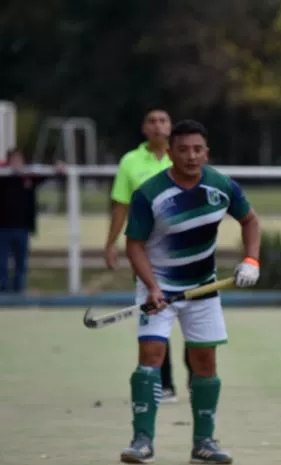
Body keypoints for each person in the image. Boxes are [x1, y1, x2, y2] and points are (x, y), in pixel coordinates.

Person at [120, 120, 261, 465]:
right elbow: (135, 245)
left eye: (198, 149)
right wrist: (152, 287)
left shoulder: (222, 186)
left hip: (203, 289)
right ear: (170, 153)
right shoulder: (149, 193)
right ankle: (142, 441)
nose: (191, 156)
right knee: (150, 358)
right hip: (158, 289)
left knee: (205, 363)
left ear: (206, 152)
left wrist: (251, 259)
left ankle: (204, 442)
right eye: (182, 149)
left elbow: (250, 221)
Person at [107, 108, 189, 403]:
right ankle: (163, 383)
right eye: (151, 121)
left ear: (171, 127)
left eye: (163, 120)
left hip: (186, 252)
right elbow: (120, 205)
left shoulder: (183, 155)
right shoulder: (130, 161)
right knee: (158, 316)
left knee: (192, 318)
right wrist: (110, 243)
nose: (157, 126)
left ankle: (196, 379)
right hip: (147, 252)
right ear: (143, 128)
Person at [0, 149, 62, 292]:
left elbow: (47, 172)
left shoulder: (28, 178)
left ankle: (19, 293)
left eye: (19, 160)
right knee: (1, 265)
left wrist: (56, 166)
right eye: (13, 160)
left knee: (21, 265)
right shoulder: (3, 178)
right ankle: (3, 294)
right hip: (3, 230)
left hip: (22, 229)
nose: (16, 163)